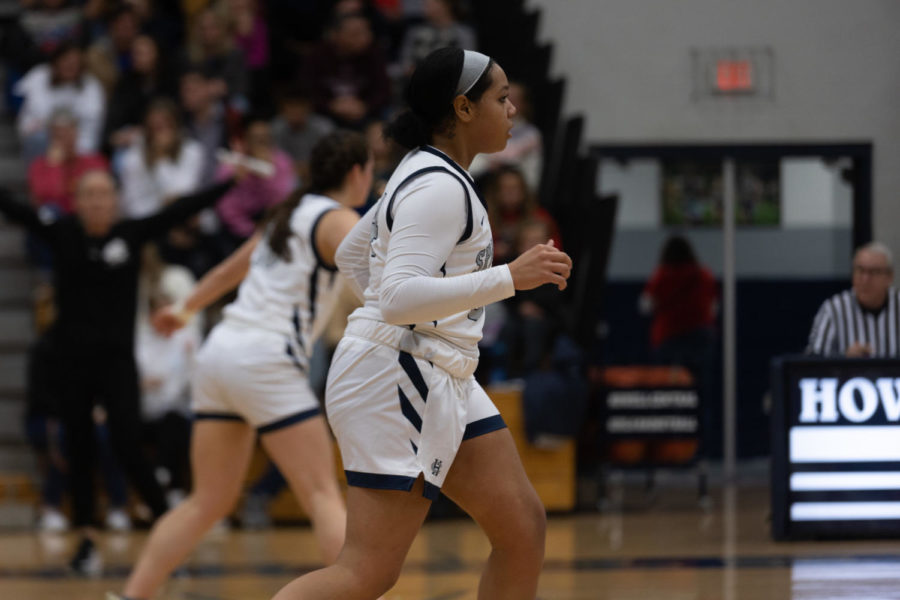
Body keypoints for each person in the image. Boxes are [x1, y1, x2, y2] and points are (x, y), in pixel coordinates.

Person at [271, 47, 571, 600]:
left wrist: (399, 323)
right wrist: (510, 276)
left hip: (434, 368)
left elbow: (354, 259)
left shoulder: (422, 170)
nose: (511, 111)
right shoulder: (439, 187)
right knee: (368, 571)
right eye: (501, 99)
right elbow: (398, 295)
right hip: (401, 374)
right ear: (461, 108)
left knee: (522, 528)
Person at [108, 130, 372, 600]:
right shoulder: (338, 219)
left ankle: (131, 597)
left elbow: (228, 272)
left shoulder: (284, 216)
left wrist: (184, 310)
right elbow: (384, 285)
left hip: (219, 353)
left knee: (207, 501)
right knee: (321, 496)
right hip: (265, 359)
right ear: (356, 172)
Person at [0, 172, 234, 574]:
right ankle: (87, 539)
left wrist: (229, 181)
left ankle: (167, 532)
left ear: (115, 201)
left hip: (118, 365)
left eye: (104, 194)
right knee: (79, 448)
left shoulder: (131, 233)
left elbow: (181, 209)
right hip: (71, 365)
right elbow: (16, 209)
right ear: (77, 200)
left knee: (127, 443)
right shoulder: (63, 233)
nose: (96, 201)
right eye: (88, 194)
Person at [14, 42, 106, 163]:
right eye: (66, 60)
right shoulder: (39, 77)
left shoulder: (91, 86)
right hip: (45, 143)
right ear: (55, 62)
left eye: (75, 63)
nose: (70, 66)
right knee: (36, 139)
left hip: (79, 145)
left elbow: (93, 127)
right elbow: (26, 123)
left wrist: (72, 148)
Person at [215, 116, 297, 249]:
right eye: (256, 139)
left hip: (274, 230)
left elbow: (284, 202)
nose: (262, 143)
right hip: (240, 234)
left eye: (265, 139)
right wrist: (251, 232)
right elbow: (226, 209)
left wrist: (267, 174)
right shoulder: (231, 166)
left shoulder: (282, 162)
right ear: (245, 140)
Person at [807, 241, 900, 357]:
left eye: (874, 272)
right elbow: (812, 362)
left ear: (889, 277)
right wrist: (845, 360)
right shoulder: (834, 309)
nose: (865, 279)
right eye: (860, 270)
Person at [640, 235, 717, 371]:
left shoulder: (663, 275)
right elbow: (713, 307)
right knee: (698, 382)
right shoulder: (704, 275)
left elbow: (646, 306)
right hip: (700, 336)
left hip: (669, 336)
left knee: (668, 386)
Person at [301, 11, 391, 128]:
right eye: (356, 34)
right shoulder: (317, 55)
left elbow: (383, 90)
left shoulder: (374, 53)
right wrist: (331, 105)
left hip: (366, 113)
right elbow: (307, 89)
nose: (366, 38)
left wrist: (365, 106)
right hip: (325, 113)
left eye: (367, 32)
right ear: (335, 35)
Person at [28, 108, 108, 215]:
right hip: (56, 222)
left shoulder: (94, 162)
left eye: (67, 132)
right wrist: (54, 166)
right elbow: (45, 198)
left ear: (76, 133)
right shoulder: (39, 166)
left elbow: (101, 194)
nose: (63, 138)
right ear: (50, 136)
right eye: (58, 134)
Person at [485, 165, 561, 265]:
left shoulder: (539, 217)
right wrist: (494, 252)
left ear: (524, 190)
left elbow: (556, 251)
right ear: (496, 192)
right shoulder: (485, 219)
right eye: (505, 188)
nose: (510, 193)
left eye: (515, 188)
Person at [271, 87, 335, 181]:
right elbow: (274, 160)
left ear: (309, 107)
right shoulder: (275, 128)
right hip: (285, 177)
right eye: (291, 105)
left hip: (318, 175)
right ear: (282, 109)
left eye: (299, 105)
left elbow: (331, 158)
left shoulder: (324, 128)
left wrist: (309, 168)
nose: (295, 110)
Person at [398, 0, 476, 73]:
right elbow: (406, 64)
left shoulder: (463, 34)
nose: (425, 6)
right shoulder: (415, 32)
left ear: (445, 5)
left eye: (431, 3)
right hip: (417, 84)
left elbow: (468, 66)